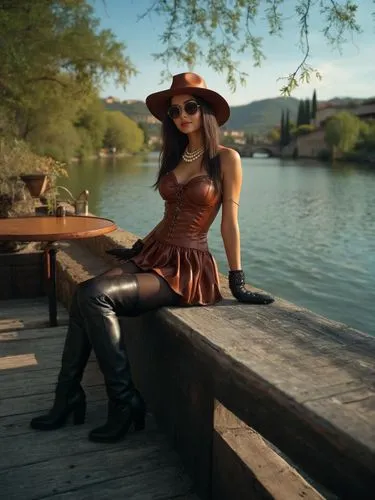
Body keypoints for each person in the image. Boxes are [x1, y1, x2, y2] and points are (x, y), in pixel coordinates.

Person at [30, 72, 274, 443]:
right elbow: (168, 217)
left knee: (96, 294)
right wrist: (139, 248)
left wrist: (237, 280)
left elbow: (230, 223)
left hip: (188, 267)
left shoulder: (226, 159)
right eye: (174, 111)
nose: (181, 115)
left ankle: (124, 401)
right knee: (85, 293)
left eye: (190, 107)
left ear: (205, 110)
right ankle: (68, 396)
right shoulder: (175, 157)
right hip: (157, 254)